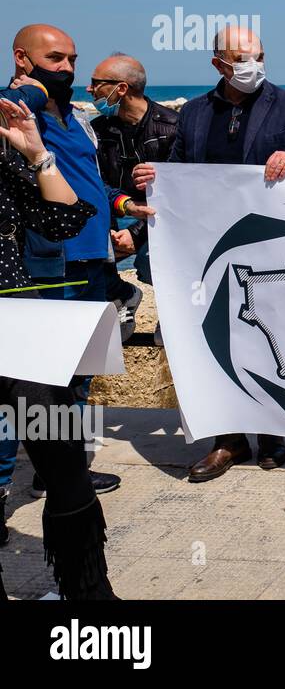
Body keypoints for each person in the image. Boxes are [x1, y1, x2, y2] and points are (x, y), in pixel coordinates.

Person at [134, 25, 285, 482]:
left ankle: (273, 434)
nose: (253, 65)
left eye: (259, 55)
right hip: (207, 247)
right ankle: (228, 439)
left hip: (271, 246)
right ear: (218, 64)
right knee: (217, 334)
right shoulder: (196, 112)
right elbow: (179, 171)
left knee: (269, 332)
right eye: (241, 58)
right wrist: (152, 178)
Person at [2, 25, 152, 500]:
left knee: (78, 375)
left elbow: (91, 185)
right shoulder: (16, 113)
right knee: (27, 383)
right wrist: (21, 91)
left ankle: (62, 472)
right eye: (54, 59)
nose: (66, 69)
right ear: (22, 58)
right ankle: (1, 485)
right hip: (48, 267)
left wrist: (124, 205)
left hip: (95, 263)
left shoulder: (75, 117)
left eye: (71, 59)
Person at [0, 96, 116, 598]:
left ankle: (88, 595)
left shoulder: (5, 152)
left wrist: (36, 153)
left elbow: (65, 220)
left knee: (66, 462)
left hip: (19, 324)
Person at [87, 53, 179, 344]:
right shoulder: (99, 130)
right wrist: (123, 207)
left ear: (121, 88)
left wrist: (137, 235)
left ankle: (175, 312)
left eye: (95, 83)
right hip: (114, 212)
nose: (89, 90)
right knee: (88, 249)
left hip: (164, 219)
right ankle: (122, 295)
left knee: (151, 263)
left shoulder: (173, 128)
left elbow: (181, 195)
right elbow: (94, 183)